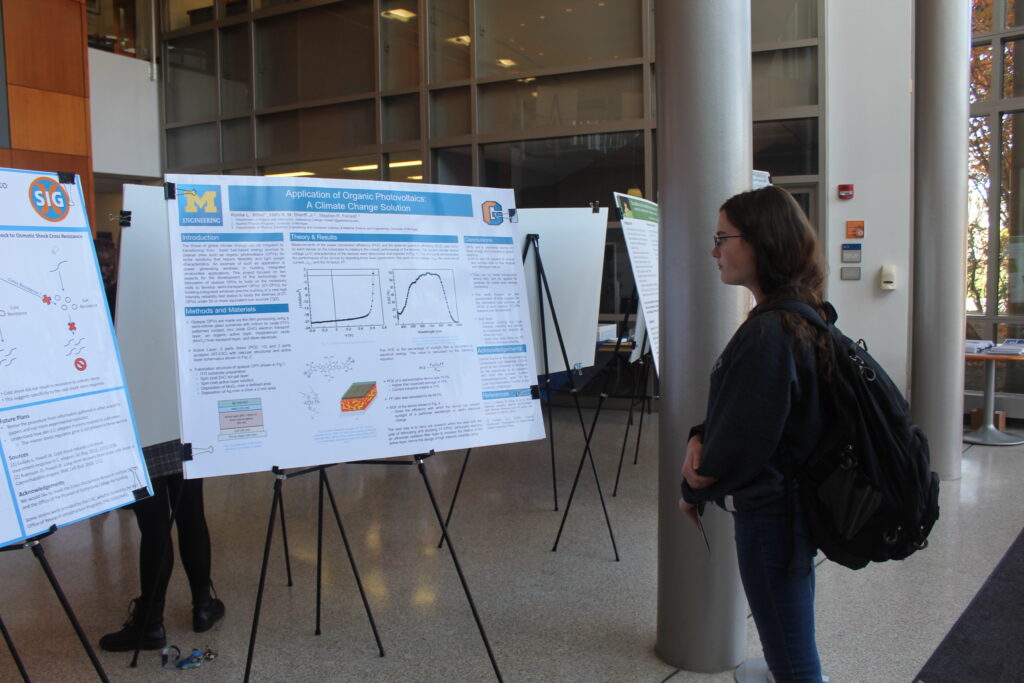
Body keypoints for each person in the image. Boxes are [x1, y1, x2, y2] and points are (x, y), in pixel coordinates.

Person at [679, 185, 828, 682]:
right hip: (791, 511)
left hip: (771, 519)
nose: (714, 250)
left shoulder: (769, 331)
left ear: (761, 242)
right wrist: (701, 434)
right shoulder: (799, 312)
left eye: (723, 237)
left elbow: (741, 441)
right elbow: (752, 410)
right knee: (791, 634)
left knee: (791, 656)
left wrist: (692, 484)